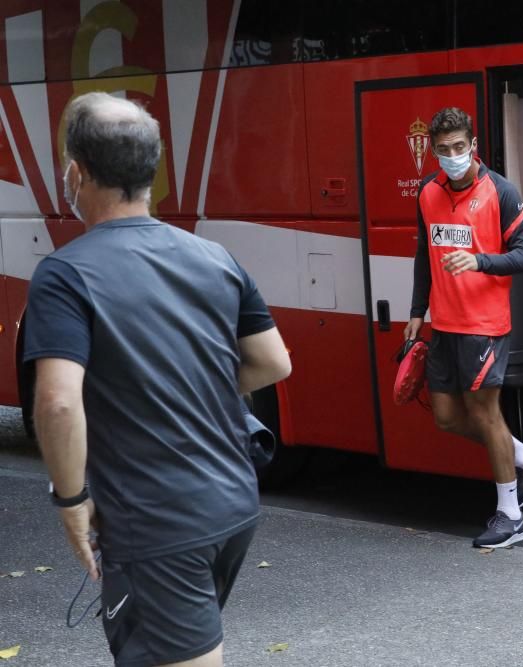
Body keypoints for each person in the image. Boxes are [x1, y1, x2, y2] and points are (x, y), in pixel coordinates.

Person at [24, 92, 291, 667]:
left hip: (158, 522)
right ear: (151, 173)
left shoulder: (65, 275)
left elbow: (59, 403)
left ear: (76, 172)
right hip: (231, 502)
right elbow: (274, 362)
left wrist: (71, 501)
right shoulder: (215, 257)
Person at [405, 106, 523, 549]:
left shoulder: (500, 192)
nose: (452, 155)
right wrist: (417, 310)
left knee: (486, 414)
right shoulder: (427, 193)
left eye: (459, 147)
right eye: (443, 149)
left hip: (485, 325)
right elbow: (422, 255)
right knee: (448, 419)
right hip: (444, 324)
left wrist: (480, 260)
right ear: (433, 151)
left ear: (473, 146)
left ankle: (511, 515)